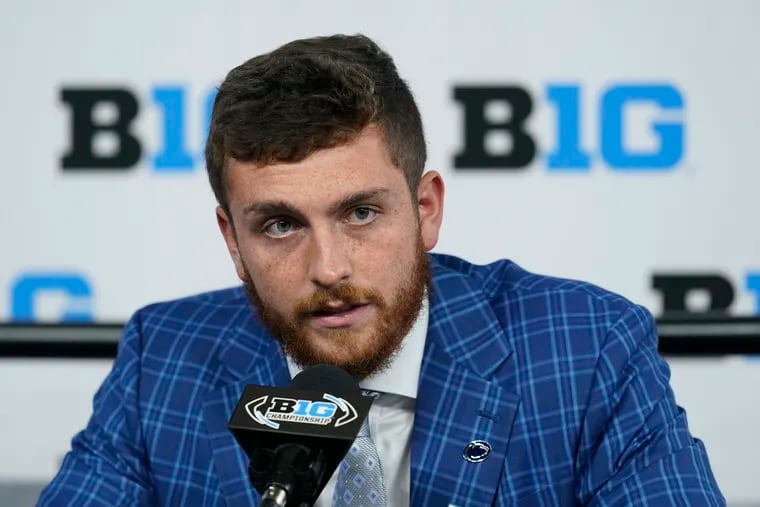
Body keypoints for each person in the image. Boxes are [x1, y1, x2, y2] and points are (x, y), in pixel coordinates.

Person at [39, 33, 724, 506]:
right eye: (280, 224)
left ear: (425, 209)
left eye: (361, 213)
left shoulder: (584, 349)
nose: (328, 267)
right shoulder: (164, 359)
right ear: (232, 240)